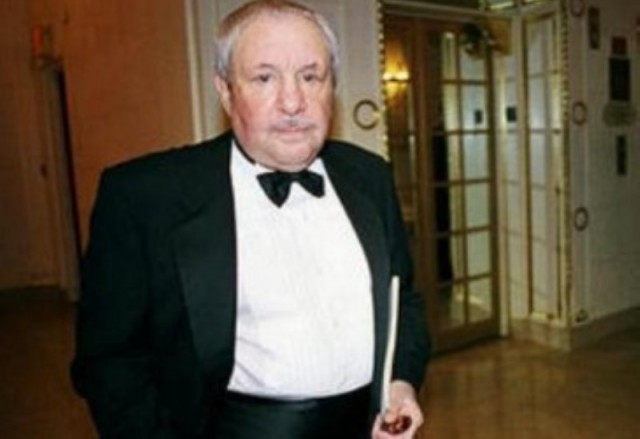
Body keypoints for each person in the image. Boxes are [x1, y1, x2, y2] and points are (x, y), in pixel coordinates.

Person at [71, 1, 430, 438]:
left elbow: (402, 303)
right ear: (225, 91)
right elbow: (111, 362)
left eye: (310, 77)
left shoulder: (369, 175)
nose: (293, 102)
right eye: (264, 78)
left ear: (331, 86)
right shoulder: (145, 196)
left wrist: (400, 383)